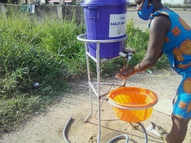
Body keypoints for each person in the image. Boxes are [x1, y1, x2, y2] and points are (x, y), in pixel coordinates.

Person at [116, 0, 191, 143]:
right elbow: (159, 51)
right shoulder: (168, 14)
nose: (137, 8)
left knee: (179, 117)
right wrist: (138, 66)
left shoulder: (159, 20)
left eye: (139, 3)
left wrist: (133, 69)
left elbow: (151, 59)